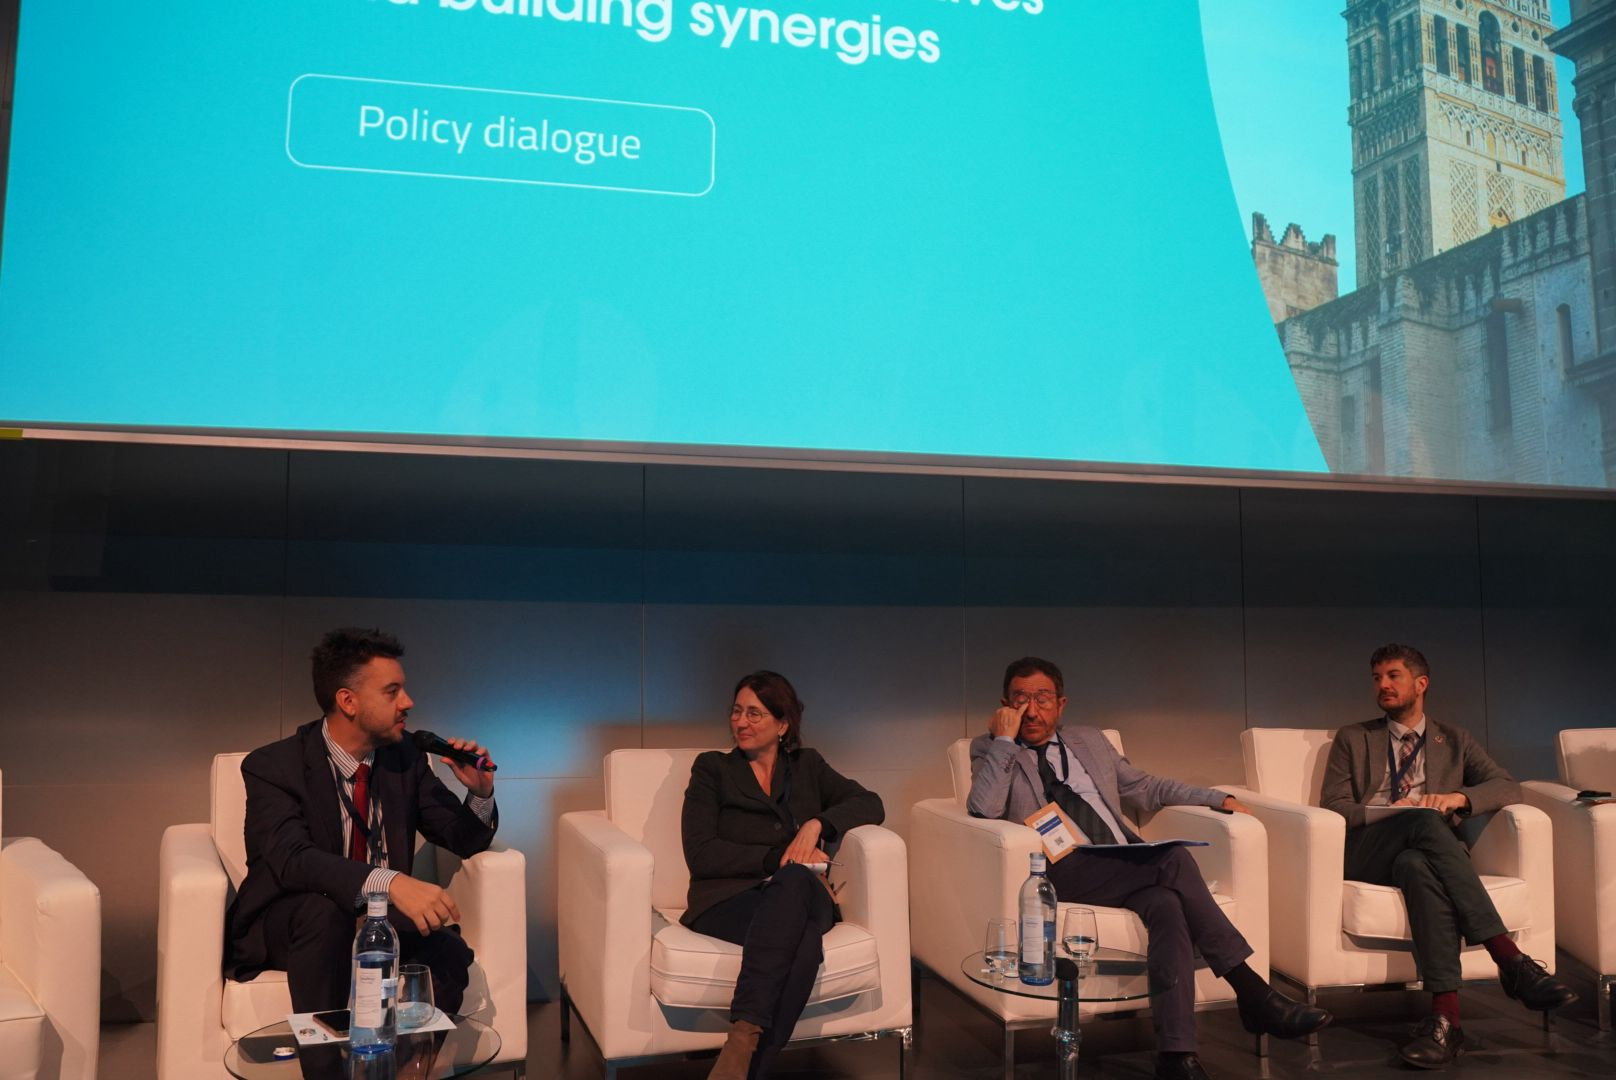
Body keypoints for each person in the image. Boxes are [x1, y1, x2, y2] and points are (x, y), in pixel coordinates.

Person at [968, 657, 1329, 1080]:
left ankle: (1176, 1056)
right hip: (1061, 868)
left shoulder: (1089, 741)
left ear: (1061, 704)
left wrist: (1215, 798)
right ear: (1005, 705)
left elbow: (1145, 786)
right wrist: (1004, 740)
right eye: (1020, 699)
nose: (1031, 710)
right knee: (1173, 859)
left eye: (1042, 698)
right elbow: (983, 807)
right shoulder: (990, 749)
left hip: (1121, 862)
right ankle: (1253, 993)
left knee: (1167, 905)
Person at [1321, 643, 1575, 1068]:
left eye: (1393, 676)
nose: (1382, 685)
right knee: (1421, 820)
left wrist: (1459, 797)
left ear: (1421, 684)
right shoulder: (1354, 737)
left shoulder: (1455, 740)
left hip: (1425, 852)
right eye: (1377, 678)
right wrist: (1389, 810)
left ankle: (1445, 1021)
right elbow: (1334, 805)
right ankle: (1508, 956)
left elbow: (1507, 786)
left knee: (1416, 864)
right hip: (1369, 848)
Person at [224, 627, 499, 1014]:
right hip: (295, 921)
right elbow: (292, 858)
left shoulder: (404, 759)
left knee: (448, 952)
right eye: (392, 692)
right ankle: (331, 1052)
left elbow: (463, 839)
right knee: (325, 916)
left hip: (377, 920)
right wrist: (390, 882)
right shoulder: (274, 766)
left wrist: (481, 793)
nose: (408, 702)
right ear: (348, 701)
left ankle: (409, 1055)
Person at [681, 671, 884, 1080]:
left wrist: (817, 824)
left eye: (754, 714)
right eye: (736, 711)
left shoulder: (808, 766)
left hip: (800, 892)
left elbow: (871, 803)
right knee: (803, 943)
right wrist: (777, 858)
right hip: (729, 899)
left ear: (783, 724)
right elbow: (701, 854)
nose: (741, 722)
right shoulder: (712, 769)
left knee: (794, 881)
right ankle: (750, 1063)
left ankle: (740, 1043)